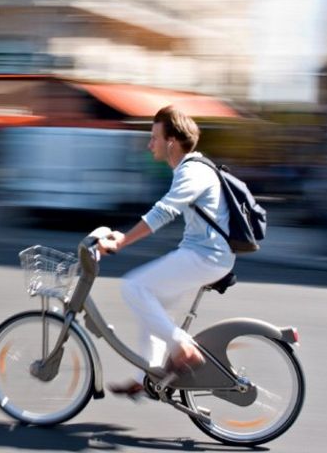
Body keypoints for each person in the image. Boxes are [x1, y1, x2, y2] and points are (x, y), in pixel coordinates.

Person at [97, 105, 235, 397]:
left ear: (171, 141)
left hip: (206, 256)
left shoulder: (192, 171)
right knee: (151, 307)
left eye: (154, 137)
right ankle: (146, 376)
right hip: (206, 254)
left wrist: (121, 242)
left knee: (133, 287)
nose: (149, 144)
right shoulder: (193, 168)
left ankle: (183, 348)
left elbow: (164, 212)